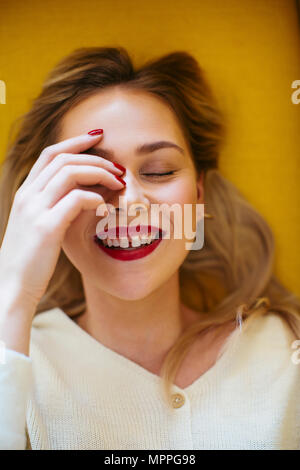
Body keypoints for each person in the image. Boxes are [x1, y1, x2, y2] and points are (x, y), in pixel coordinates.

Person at [0, 47, 299, 450]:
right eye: (93, 174)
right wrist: (13, 291)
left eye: (159, 171)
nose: (128, 202)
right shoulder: (15, 351)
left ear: (198, 196)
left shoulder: (284, 350)